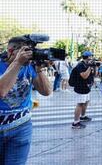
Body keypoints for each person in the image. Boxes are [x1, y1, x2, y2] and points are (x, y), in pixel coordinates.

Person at [0, 35, 52, 164]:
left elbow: (46, 91)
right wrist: (17, 63)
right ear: (10, 50)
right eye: (24, 51)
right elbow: (1, 91)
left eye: (30, 51)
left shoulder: (29, 66)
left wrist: (39, 70)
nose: (28, 55)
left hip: (21, 126)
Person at [71, 51, 96, 129]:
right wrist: (89, 67)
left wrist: (94, 67)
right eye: (91, 57)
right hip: (80, 87)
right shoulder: (80, 65)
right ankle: (75, 123)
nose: (92, 58)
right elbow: (84, 76)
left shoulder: (87, 65)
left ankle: (83, 116)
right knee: (80, 104)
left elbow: (92, 75)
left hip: (86, 87)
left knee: (86, 102)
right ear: (87, 57)